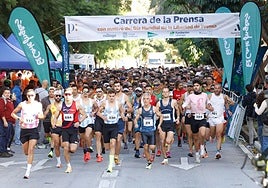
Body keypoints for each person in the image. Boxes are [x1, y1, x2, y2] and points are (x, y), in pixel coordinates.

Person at [11, 89, 44, 179]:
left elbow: (41, 115)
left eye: (32, 95)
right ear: (26, 96)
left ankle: (28, 171)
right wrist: (19, 118)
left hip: (33, 129)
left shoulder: (38, 105)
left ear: (35, 95)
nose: (30, 97)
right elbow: (12, 113)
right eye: (28, 95)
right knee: (26, 152)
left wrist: (40, 116)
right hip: (24, 130)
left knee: (31, 149)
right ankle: (29, 164)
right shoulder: (22, 104)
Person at [53, 87, 87, 173]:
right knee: (65, 147)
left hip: (74, 129)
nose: (68, 96)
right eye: (66, 94)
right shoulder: (61, 105)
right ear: (64, 96)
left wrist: (79, 121)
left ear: (72, 95)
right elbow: (55, 116)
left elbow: (84, 115)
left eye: (69, 94)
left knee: (72, 149)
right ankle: (68, 166)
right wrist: (54, 123)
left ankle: (75, 142)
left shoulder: (77, 104)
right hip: (64, 129)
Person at [97, 88, 126, 173]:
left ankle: (110, 164)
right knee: (107, 147)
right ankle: (111, 156)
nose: (111, 98)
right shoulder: (104, 103)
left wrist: (123, 116)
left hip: (114, 126)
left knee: (113, 143)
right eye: (110, 96)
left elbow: (121, 112)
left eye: (113, 96)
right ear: (107, 96)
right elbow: (98, 112)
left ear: (115, 96)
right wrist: (103, 117)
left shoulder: (119, 104)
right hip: (106, 126)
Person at [182, 79, 211, 163]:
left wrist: (209, 107)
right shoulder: (190, 96)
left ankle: (202, 147)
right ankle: (197, 154)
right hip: (193, 117)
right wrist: (184, 107)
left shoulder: (205, 95)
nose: (196, 87)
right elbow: (185, 104)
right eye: (194, 86)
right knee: (195, 137)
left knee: (202, 133)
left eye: (197, 85)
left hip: (202, 117)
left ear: (200, 87)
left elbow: (208, 103)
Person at [134, 92, 163, 169]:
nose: (146, 100)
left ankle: (153, 152)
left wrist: (159, 125)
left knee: (152, 147)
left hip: (152, 131)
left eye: (147, 99)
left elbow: (161, 116)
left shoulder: (154, 109)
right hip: (144, 131)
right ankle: (149, 161)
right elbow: (136, 119)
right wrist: (136, 123)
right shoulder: (140, 110)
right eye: (144, 99)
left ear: (150, 100)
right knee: (145, 147)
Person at [207, 84, 234, 159]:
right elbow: (205, 105)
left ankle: (218, 152)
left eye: (218, 88)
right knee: (212, 135)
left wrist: (229, 106)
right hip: (211, 117)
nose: (217, 90)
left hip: (220, 117)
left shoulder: (224, 96)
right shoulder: (210, 96)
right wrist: (209, 108)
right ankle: (211, 136)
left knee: (219, 134)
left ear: (221, 89)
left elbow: (231, 103)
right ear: (213, 89)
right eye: (215, 88)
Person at [156, 87, 180, 164]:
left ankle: (171, 139)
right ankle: (165, 158)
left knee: (168, 141)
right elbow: (156, 112)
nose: (165, 93)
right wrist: (158, 116)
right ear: (162, 93)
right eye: (164, 92)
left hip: (171, 123)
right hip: (163, 124)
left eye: (167, 92)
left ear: (169, 93)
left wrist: (178, 118)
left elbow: (177, 109)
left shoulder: (173, 102)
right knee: (162, 141)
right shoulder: (159, 103)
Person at [113, 81, 132, 165]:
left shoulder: (125, 97)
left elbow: (131, 108)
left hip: (120, 119)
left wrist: (125, 111)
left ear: (120, 87)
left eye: (118, 86)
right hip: (111, 120)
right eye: (115, 86)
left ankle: (116, 156)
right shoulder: (111, 96)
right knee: (112, 140)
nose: (117, 87)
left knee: (119, 138)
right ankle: (113, 154)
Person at [44, 89, 63, 168]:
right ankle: (58, 161)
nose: (58, 97)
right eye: (56, 96)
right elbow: (44, 114)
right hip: (55, 126)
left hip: (64, 126)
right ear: (54, 96)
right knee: (56, 144)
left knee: (63, 145)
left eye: (59, 96)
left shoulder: (64, 104)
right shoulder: (50, 105)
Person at [78, 86, 98, 163]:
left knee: (87, 135)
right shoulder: (78, 101)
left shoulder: (92, 101)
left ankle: (89, 147)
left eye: (87, 92)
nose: (86, 93)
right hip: (81, 120)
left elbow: (96, 107)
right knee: (83, 139)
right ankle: (85, 152)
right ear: (82, 93)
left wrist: (94, 112)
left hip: (89, 119)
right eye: (84, 92)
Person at [0, 87, 15, 158]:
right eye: (5, 93)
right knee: (4, 136)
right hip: (5, 121)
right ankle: (2, 151)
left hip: (10, 121)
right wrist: (4, 121)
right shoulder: (2, 100)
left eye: (8, 93)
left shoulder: (8, 100)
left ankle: (5, 150)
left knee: (9, 135)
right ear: (3, 93)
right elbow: (1, 111)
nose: (7, 94)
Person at [41, 87, 55, 157]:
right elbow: (42, 108)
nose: (51, 93)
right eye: (50, 92)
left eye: (53, 92)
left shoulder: (57, 99)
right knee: (47, 133)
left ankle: (52, 148)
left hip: (54, 119)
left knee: (52, 133)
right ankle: (50, 139)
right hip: (46, 119)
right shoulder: (44, 100)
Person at [93, 85, 106, 162]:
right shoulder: (93, 99)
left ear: (102, 92)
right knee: (98, 135)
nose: (99, 93)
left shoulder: (106, 98)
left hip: (105, 118)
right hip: (97, 119)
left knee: (104, 136)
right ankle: (99, 154)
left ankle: (103, 146)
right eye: (97, 92)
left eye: (100, 91)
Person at [11, 79, 22, 145]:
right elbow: (16, 99)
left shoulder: (14, 89)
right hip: (18, 109)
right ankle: (17, 140)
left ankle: (15, 139)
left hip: (14, 109)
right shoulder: (17, 90)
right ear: (19, 83)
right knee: (18, 126)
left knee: (16, 126)